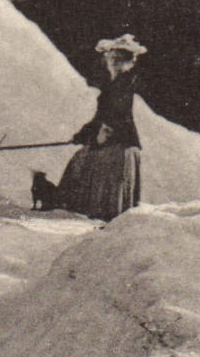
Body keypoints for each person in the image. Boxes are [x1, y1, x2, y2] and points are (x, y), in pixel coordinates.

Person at [56, 35, 146, 222]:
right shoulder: (114, 84)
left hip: (119, 143)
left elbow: (116, 113)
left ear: (125, 61)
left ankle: (100, 217)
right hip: (115, 140)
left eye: (116, 58)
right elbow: (101, 116)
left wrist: (103, 132)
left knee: (86, 165)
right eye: (110, 58)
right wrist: (83, 134)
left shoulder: (123, 83)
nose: (111, 61)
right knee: (81, 160)